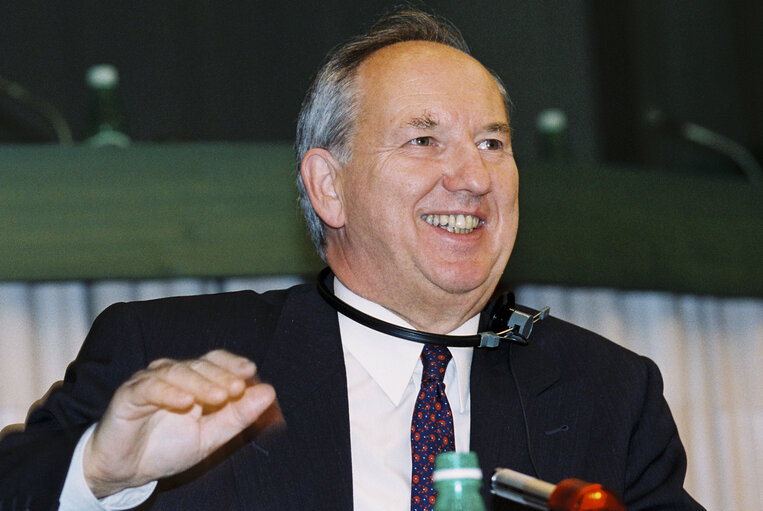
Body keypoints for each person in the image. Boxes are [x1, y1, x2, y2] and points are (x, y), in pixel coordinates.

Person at [0, 8, 704, 511]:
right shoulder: (168, 351)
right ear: (327, 186)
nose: (472, 175)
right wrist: (94, 473)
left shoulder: (607, 391)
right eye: (423, 140)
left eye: (492, 142)